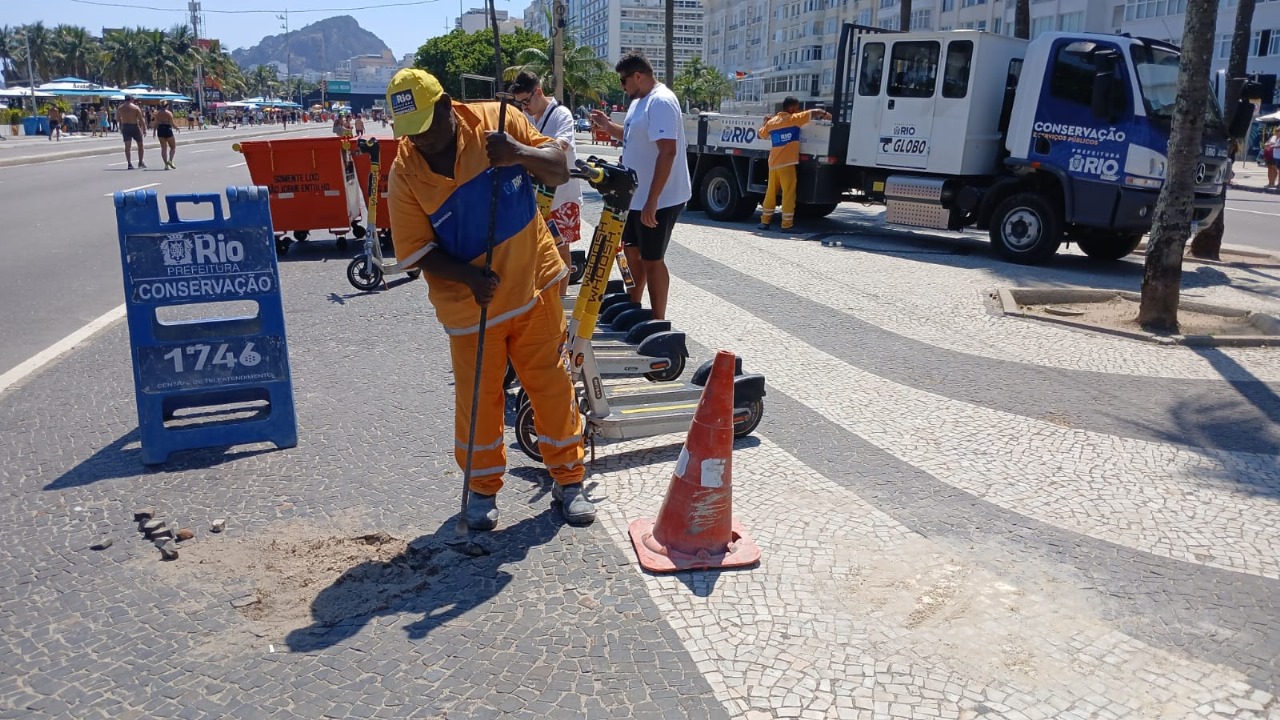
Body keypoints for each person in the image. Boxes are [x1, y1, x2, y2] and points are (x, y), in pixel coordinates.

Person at [384, 68, 593, 530]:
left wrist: (517, 153)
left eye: (426, 127)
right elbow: (414, 251)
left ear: (446, 106)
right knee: (478, 399)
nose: (421, 141)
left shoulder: (499, 120)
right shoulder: (404, 172)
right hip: (470, 306)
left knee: (551, 386)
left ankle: (569, 479)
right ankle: (481, 488)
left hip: (534, 286)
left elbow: (559, 167)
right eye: (410, 132)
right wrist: (467, 276)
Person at [588, 51, 691, 321]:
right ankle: (634, 305)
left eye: (623, 80)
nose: (622, 86)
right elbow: (633, 136)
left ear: (638, 76)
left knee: (652, 258)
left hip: (660, 198)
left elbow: (667, 151)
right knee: (631, 251)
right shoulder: (639, 101)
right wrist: (607, 126)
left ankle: (658, 321)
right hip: (635, 195)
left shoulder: (661, 101)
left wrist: (652, 200)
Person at [510, 70, 583, 297]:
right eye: (520, 103)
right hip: (537, 195)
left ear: (538, 92)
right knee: (538, 249)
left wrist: (530, 152)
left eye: (526, 101)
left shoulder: (561, 114)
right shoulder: (528, 117)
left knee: (561, 249)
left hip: (563, 195)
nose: (524, 107)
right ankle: (542, 295)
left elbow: (562, 144)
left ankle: (560, 298)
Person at [757, 97, 831, 232]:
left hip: (773, 163)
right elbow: (816, 112)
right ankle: (786, 225)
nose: (798, 110)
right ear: (791, 108)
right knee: (788, 193)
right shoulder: (794, 119)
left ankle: (764, 221)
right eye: (797, 107)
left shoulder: (772, 122)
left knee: (771, 192)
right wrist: (827, 115)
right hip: (787, 163)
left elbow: (761, 135)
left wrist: (764, 122)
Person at [117, 95, 147, 169]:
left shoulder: (120, 108)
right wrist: (144, 129)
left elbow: (118, 119)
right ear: (131, 100)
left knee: (127, 146)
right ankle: (140, 162)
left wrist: (120, 126)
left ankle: (129, 163)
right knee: (140, 145)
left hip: (125, 127)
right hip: (134, 126)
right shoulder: (135, 108)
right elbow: (141, 119)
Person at [153, 100, 178, 170]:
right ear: (167, 106)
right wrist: (176, 128)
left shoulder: (157, 114)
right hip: (167, 129)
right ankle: (170, 160)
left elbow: (156, 123)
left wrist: (154, 131)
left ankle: (166, 164)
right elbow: (172, 123)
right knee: (173, 147)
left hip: (160, 129)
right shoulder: (169, 113)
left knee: (163, 148)